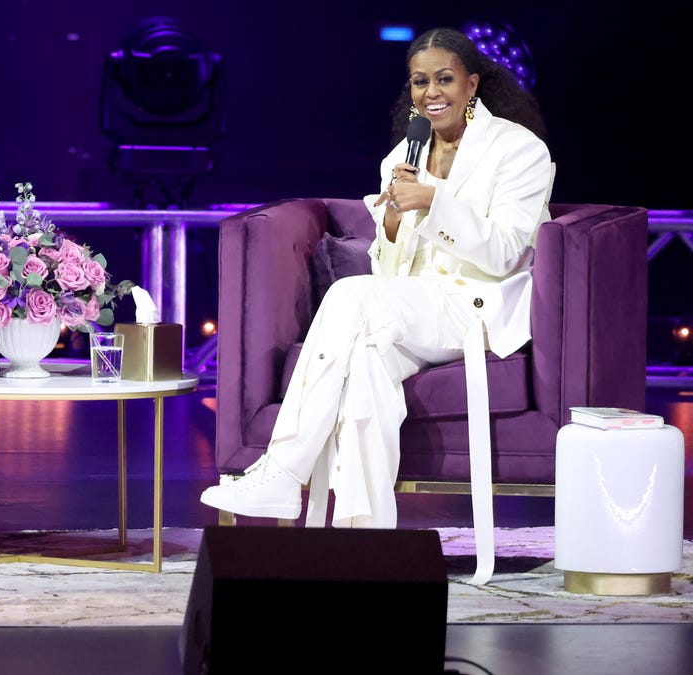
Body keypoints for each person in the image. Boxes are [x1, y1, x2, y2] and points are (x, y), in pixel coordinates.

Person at [200, 27, 552, 534]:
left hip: (477, 305)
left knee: (349, 293)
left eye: (444, 79)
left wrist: (433, 202)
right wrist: (389, 227)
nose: (430, 92)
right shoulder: (401, 159)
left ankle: (282, 469)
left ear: (472, 84)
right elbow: (391, 275)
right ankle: (363, 539)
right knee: (364, 367)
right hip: (414, 313)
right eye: (418, 82)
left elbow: (502, 254)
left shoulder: (518, 150)